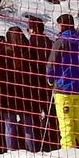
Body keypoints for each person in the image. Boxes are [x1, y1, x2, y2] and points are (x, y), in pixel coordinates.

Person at [48, 13, 79, 149]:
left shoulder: (61, 42)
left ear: (61, 25)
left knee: (66, 126)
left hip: (63, 90)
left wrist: (51, 80)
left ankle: (67, 153)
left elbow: (51, 65)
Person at [24, 16, 57, 150]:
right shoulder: (50, 43)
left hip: (34, 84)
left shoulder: (30, 44)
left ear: (32, 29)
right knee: (51, 113)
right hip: (49, 83)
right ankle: (53, 141)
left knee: (35, 116)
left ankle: (37, 144)